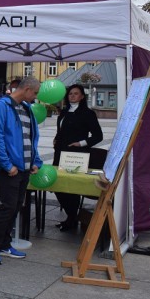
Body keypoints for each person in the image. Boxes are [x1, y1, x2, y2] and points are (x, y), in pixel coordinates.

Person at [0, 76, 42, 265]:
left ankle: (4, 244)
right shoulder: (2, 107)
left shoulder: (27, 109)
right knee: (7, 208)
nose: (35, 97)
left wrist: (35, 160)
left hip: (24, 168)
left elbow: (31, 138)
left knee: (15, 207)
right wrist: (7, 164)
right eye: (34, 93)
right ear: (26, 89)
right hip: (10, 168)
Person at [52, 84, 103, 231]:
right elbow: (61, 130)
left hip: (76, 155)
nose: (72, 96)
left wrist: (81, 143)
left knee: (72, 186)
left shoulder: (88, 113)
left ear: (82, 96)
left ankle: (72, 219)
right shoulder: (64, 112)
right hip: (60, 153)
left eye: (76, 94)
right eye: (70, 94)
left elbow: (98, 136)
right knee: (58, 185)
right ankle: (72, 216)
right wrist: (56, 138)